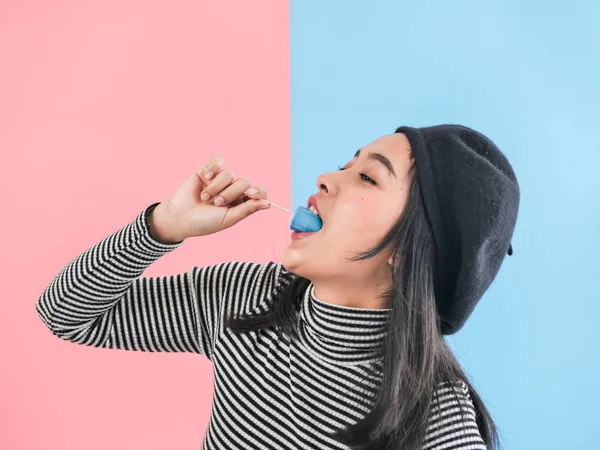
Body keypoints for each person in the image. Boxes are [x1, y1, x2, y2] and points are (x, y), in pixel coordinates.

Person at [36, 124, 520, 449]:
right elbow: (67, 314)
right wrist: (163, 227)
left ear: (409, 251)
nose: (326, 179)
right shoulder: (245, 298)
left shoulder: (436, 417)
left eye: (368, 178)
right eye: (346, 164)